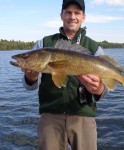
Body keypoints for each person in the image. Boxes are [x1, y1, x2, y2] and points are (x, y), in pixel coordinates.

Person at [22, 0, 108, 149]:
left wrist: (99, 88)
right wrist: (31, 77)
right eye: (68, 12)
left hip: (83, 116)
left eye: (77, 13)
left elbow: (105, 90)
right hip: (50, 117)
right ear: (61, 15)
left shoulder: (95, 48)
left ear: (83, 17)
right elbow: (29, 86)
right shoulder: (43, 44)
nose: (72, 16)